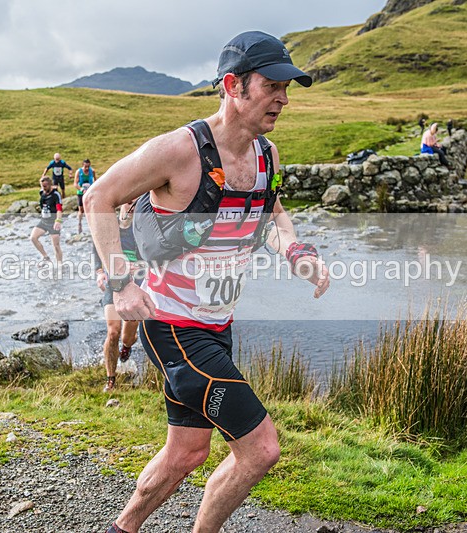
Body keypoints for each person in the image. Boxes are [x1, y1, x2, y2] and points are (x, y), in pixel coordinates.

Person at [85, 30, 330, 533]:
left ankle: (121, 529)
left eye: (288, 87)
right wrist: (121, 282)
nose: (283, 98)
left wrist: (297, 252)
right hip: (171, 325)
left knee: (186, 454)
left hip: (217, 325)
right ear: (232, 86)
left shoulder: (268, 155)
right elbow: (99, 198)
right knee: (261, 449)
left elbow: (274, 216)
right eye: (272, 85)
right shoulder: (179, 150)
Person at [94, 200, 140, 392]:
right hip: (113, 282)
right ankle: (110, 380)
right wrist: (99, 272)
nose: (131, 206)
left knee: (127, 337)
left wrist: (141, 267)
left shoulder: (143, 227)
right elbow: (97, 245)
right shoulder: (109, 224)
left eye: (136, 203)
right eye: (128, 201)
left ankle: (127, 346)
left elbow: (153, 254)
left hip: (136, 284)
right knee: (113, 332)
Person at [31, 176, 63, 264]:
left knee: (56, 246)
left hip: (54, 222)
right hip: (44, 221)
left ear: (50, 185)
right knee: (33, 238)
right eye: (42, 186)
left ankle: (60, 265)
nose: (43, 188)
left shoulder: (56, 195)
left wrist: (58, 221)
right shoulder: (41, 192)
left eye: (45, 186)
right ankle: (45, 257)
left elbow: (59, 209)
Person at [75, 159, 96, 233]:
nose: (87, 168)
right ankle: (79, 223)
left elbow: (95, 181)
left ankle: (92, 225)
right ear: (83, 165)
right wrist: (81, 189)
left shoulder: (92, 171)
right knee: (81, 209)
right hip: (81, 193)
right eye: (85, 166)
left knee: (91, 208)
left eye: (88, 166)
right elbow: (75, 184)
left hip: (89, 192)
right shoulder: (79, 172)